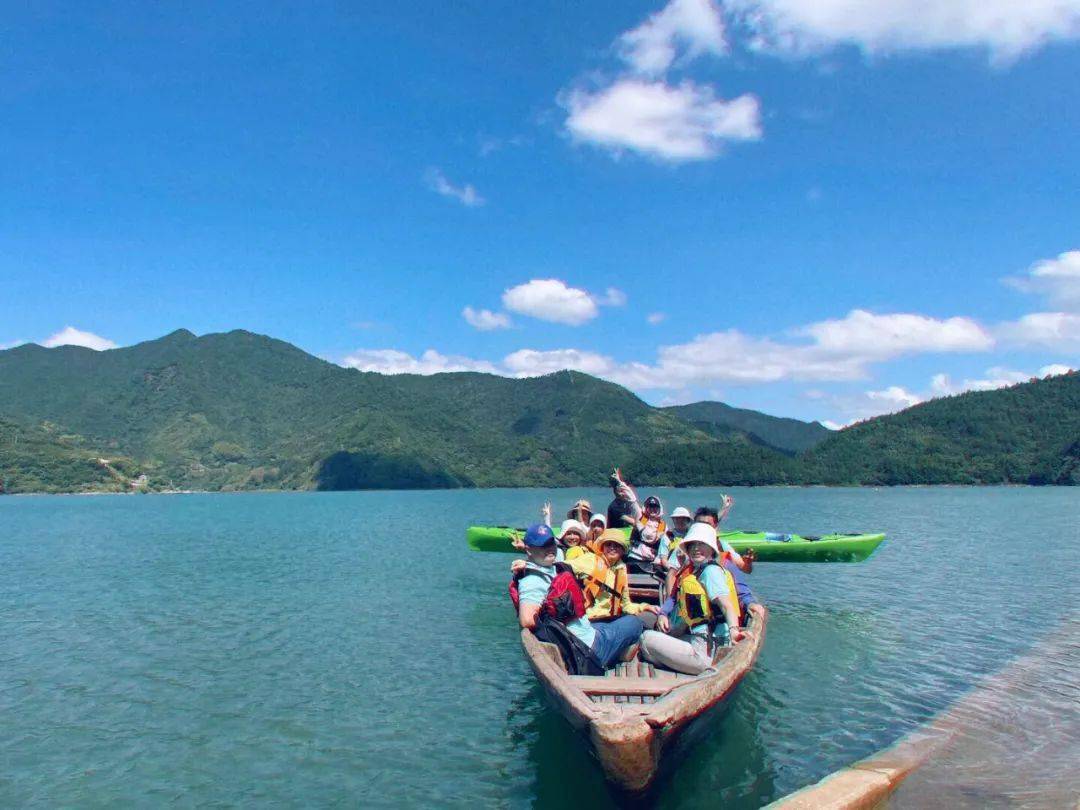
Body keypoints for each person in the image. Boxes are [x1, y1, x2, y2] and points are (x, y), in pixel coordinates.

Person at [512, 524, 644, 670]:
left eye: (551, 543)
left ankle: (618, 649)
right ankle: (618, 653)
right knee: (635, 623)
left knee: (609, 623)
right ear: (529, 549)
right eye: (542, 545)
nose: (549, 548)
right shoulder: (532, 581)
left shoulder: (550, 569)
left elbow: (563, 565)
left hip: (583, 636)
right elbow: (527, 620)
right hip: (587, 650)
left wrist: (528, 563)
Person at [639, 523, 746, 675]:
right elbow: (691, 615)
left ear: (711, 548)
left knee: (646, 639)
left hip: (707, 650)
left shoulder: (710, 572)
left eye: (701, 544)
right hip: (701, 641)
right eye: (692, 545)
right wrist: (666, 621)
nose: (696, 548)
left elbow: (727, 605)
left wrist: (734, 632)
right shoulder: (695, 573)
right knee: (660, 637)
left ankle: (678, 667)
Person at [516, 528, 660, 623]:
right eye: (609, 544)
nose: (612, 548)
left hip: (611, 618)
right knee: (633, 625)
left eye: (617, 546)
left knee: (643, 620)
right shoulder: (591, 560)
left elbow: (626, 605)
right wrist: (529, 565)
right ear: (602, 547)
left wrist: (645, 606)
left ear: (622, 550)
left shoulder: (621, 569)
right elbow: (561, 567)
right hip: (590, 619)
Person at [692, 502, 764, 622]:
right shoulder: (684, 549)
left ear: (715, 527)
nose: (703, 529)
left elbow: (743, 572)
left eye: (707, 525)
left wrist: (749, 603)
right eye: (699, 525)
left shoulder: (724, 550)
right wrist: (664, 613)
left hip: (717, 614)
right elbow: (673, 578)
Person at [627, 495, 668, 567]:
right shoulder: (640, 518)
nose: (653, 509)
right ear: (646, 508)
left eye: (655, 506)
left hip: (653, 560)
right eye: (650, 506)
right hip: (636, 556)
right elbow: (633, 503)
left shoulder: (664, 525)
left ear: (659, 508)